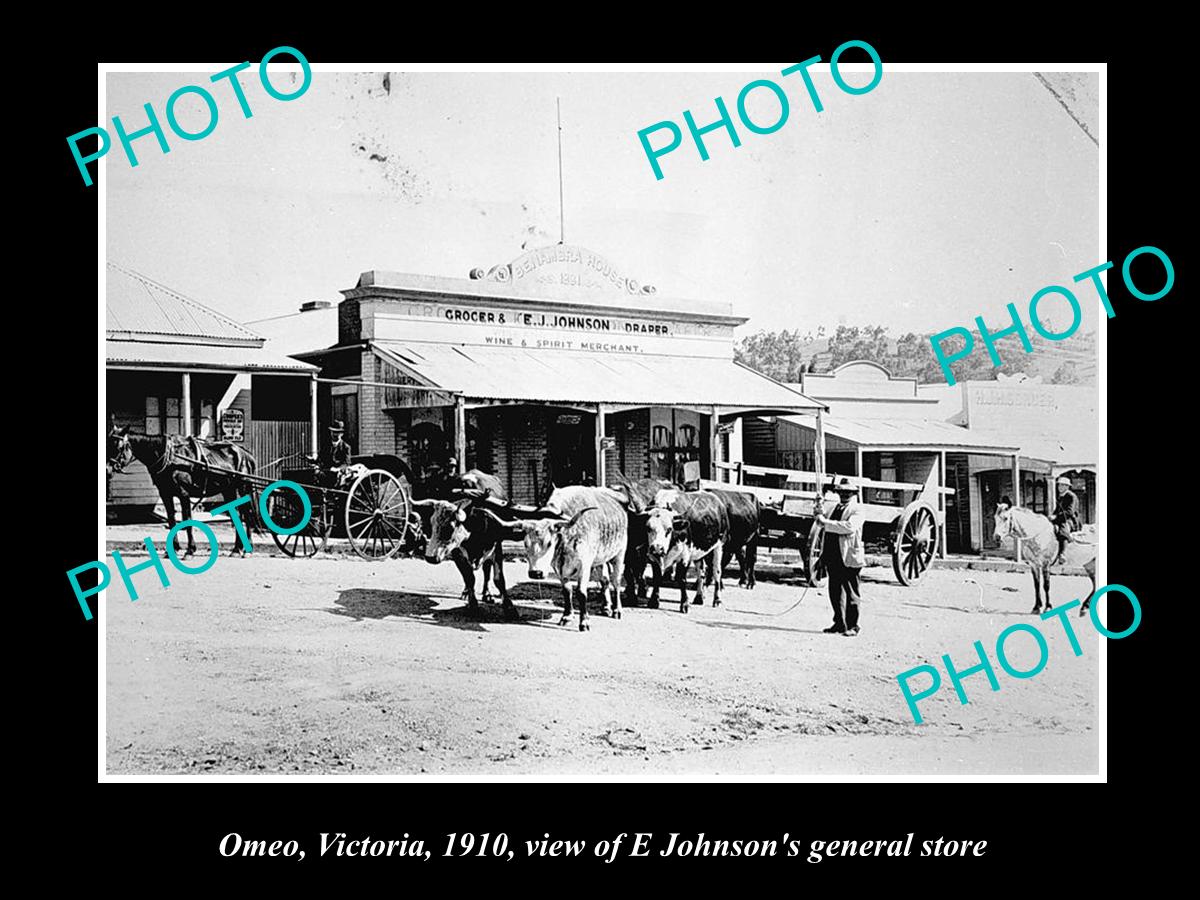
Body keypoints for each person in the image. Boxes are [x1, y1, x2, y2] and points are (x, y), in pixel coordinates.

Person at [814, 477, 867, 637]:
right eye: (842, 492)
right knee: (835, 590)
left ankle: (853, 626)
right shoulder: (834, 508)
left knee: (851, 592)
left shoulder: (857, 509)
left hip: (849, 554)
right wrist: (818, 508)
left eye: (848, 492)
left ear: (853, 493)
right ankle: (839, 623)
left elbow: (849, 527)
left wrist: (825, 522)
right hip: (833, 554)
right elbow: (820, 518)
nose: (844, 495)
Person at [1051, 475, 1081, 566]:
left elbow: (1069, 512)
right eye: (1059, 485)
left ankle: (1062, 554)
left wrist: (1056, 517)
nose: (1060, 487)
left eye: (1063, 485)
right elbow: (1057, 510)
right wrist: (1052, 516)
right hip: (1061, 518)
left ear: (1067, 487)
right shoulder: (1060, 496)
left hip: (1071, 520)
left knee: (1062, 530)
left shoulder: (1071, 496)